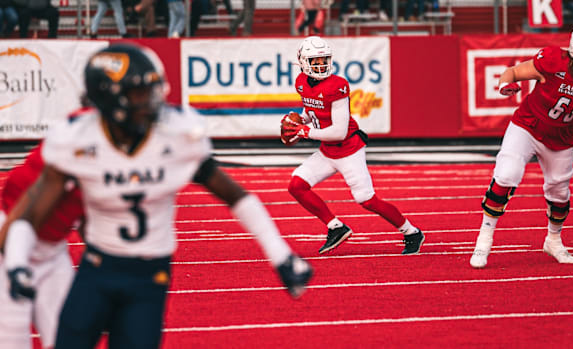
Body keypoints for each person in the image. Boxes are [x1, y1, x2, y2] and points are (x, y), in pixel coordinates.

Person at [3, 43, 313, 349]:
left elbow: (234, 195)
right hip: (94, 268)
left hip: (148, 275)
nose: (152, 102)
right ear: (112, 100)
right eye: (140, 94)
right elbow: (28, 214)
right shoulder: (77, 141)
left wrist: (280, 255)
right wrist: (16, 264)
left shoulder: (176, 135)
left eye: (153, 91)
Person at [469, 25, 573, 269]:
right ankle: (483, 240)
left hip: (560, 137)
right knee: (506, 174)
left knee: (559, 193)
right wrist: (505, 84)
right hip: (527, 126)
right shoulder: (553, 60)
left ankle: (553, 240)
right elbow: (513, 72)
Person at [282, 36, 424, 255]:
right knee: (296, 185)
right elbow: (311, 111)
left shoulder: (337, 86)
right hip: (328, 151)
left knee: (366, 200)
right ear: (302, 62)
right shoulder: (301, 82)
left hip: (348, 149)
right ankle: (335, 227)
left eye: (324, 60)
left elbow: (338, 131)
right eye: (315, 61)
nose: (321, 65)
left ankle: (411, 232)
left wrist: (306, 132)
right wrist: (301, 121)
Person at [0, 126, 85, 348]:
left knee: (67, 338)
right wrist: (14, 263)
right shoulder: (75, 142)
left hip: (53, 249)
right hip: (10, 240)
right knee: (12, 339)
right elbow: (20, 216)